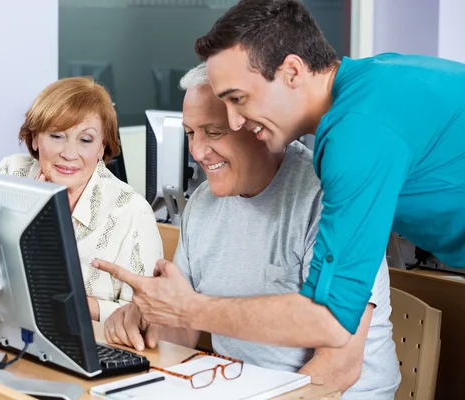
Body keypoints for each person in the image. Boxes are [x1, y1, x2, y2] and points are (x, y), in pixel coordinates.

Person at [95, 64, 400, 398]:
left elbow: (336, 372)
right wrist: (141, 320)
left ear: (256, 126)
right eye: (190, 133)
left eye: (213, 132)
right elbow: (182, 332)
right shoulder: (202, 203)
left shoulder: (331, 201)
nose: (196, 152)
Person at [184, 0, 465, 343]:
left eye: (238, 99)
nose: (234, 121)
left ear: (292, 71)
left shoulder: (357, 134)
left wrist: (189, 309)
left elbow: (332, 320)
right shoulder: (372, 81)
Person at [0, 76, 163, 322]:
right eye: (56, 135)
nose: (69, 154)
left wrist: (75, 305)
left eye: (85, 140)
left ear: (102, 148)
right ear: (34, 138)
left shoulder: (132, 212)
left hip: (95, 345)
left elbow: (148, 316)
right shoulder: (11, 173)